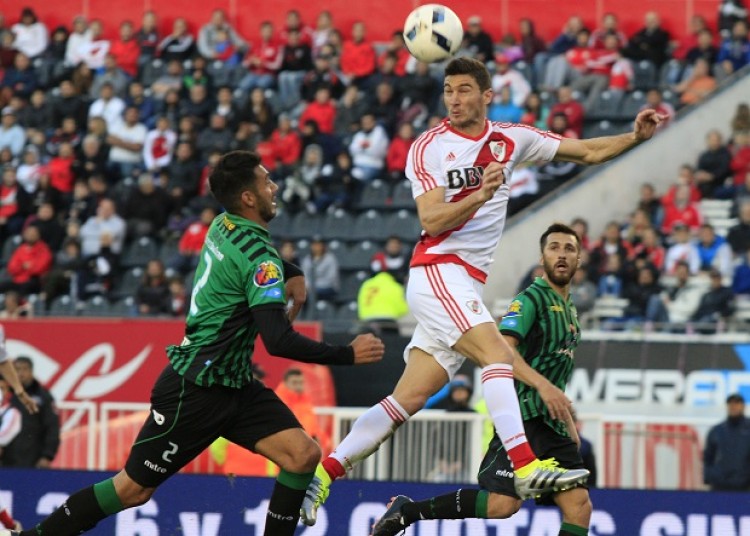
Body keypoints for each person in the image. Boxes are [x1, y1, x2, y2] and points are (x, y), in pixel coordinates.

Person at [301, 56, 664, 526]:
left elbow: (586, 151)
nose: (453, 99)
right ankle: (527, 466)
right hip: (438, 270)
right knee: (497, 355)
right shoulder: (428, 147)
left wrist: (635, 137)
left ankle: (324, 474)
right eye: (448, 90)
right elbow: (431, 220)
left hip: (463, 283)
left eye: (464, 90)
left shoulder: (511, 139)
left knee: (407, 399)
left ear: (487, 95)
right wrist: (480, 194)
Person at [3, 151, 384, 536]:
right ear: (248, 198)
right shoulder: (261, 258)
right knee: (132, 490)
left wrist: (293, 271)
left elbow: (251, 261)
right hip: (194, 390)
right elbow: (278, 340)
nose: (275, 187)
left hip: (233, 383)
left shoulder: (222, 224)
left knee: (302, 455)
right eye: (266, 181)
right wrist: (347, 354)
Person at [370, 223, 592, 536]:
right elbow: (503, 353)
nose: (562, 254)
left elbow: (556, 375)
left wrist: (567, 420)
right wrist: (542, 387)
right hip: (525, 416)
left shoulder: (570, 310)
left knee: (579, 507)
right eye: (554, 248)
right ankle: (408, 511)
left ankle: (407, 511)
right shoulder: (530, 300)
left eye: (569, 249)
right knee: (502, 505)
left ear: (579, 260)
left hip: (552, 425)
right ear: (542, 258)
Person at [2, 356, 58, 469]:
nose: (21, 373)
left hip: (32, 456)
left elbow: (52, 427)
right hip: (5, 457)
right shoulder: (7, 394)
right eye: (17, 369)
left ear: (31, 371)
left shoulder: (43, 396)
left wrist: (47, 455)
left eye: (24, 369)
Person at [704, 393, 750, 491]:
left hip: (744, 486)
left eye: (737, 403)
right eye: (731, 404)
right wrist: (710, 477)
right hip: (720, 485)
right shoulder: (717, 430)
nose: (734, 407)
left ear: (743, 406)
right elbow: (708, 457)